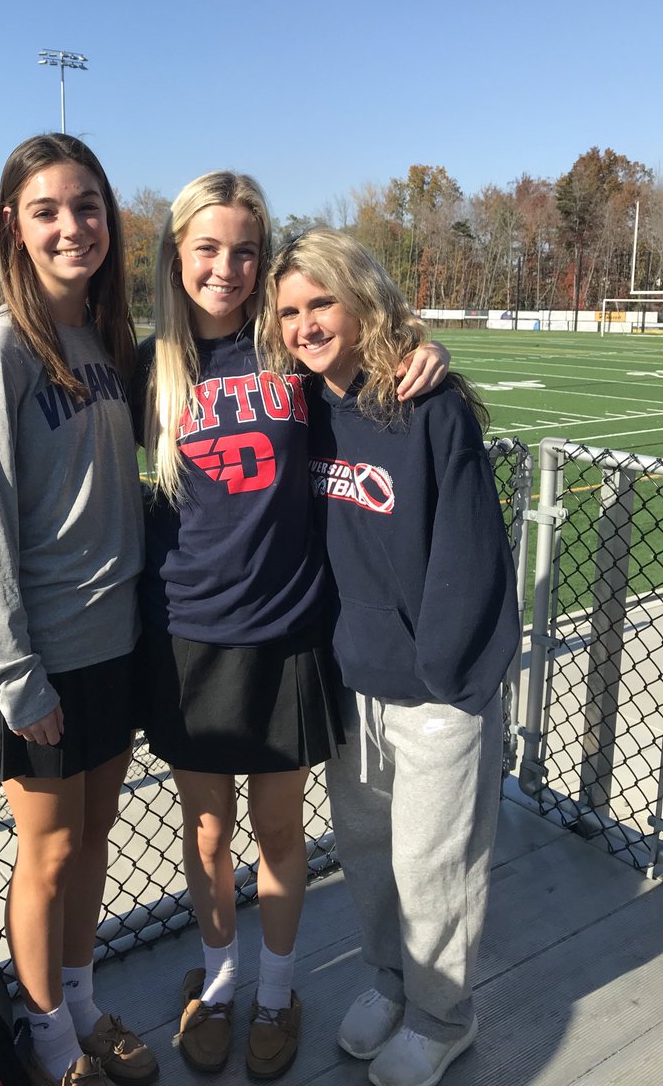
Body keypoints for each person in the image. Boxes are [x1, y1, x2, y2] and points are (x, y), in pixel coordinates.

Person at [132, 174, 450, 1081]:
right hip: (189, 632)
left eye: (244, 250)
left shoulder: (285, 351)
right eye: (208, 247)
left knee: (278, 832)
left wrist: (423, 347)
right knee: (205, 834)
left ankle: (277, 988)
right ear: (176, 255)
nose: (226, 267)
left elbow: (364, 352)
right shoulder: (147, 364)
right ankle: (222, 979)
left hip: (284, 633)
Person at [262, 227, 520, 1086]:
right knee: (370, 853)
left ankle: (445, 1014)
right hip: (349, 680)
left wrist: (448, 675)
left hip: (433, 686)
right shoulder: (298, 409)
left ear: (361, 298)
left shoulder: (427, 405)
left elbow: (472, 554)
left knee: (432, 862)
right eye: (290, 310)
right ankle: (388, 979)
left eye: (320, 302)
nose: (305, 324)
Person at [0, 134, 158, 1086]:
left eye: (87, 206)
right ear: (13, 227)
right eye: (47, 210)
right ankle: (48, 1043)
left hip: (115, 641)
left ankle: (79, 1004)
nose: (72, 226)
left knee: (96, 838)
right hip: (38, 657)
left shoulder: (105, 342)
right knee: (49, 852)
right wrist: (13, 677)